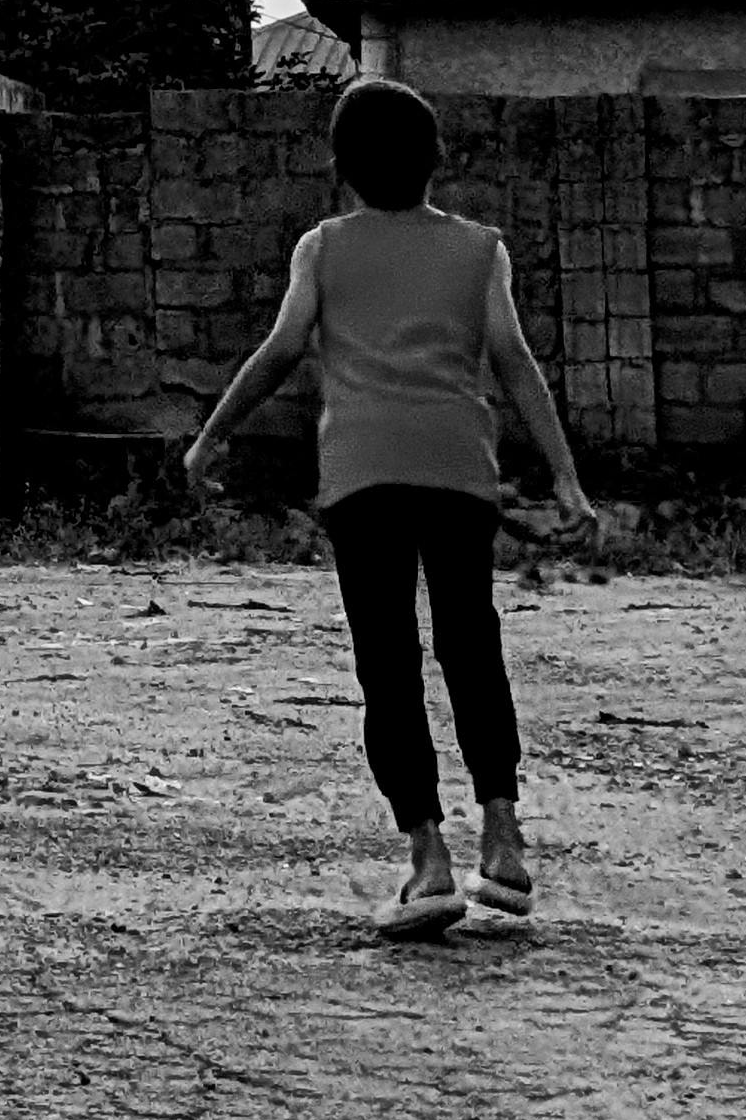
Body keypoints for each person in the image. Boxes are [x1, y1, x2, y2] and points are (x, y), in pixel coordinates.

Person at [182, 75, 598, 943]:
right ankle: (505, 838)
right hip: (457, 467)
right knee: (469, 644)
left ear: (343, 167)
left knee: (388, 662)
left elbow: (281, 350)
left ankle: (428, 861)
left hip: (363, 472)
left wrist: (212, 434)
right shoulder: (481, 251)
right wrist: (564, 478)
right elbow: (516, 364)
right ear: (435, 161)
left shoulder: (323, 249)